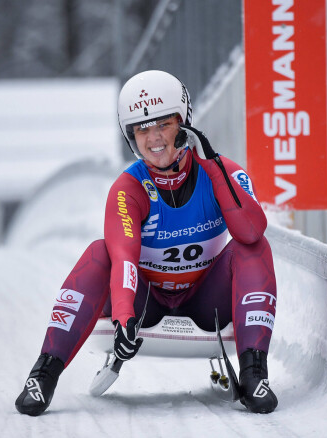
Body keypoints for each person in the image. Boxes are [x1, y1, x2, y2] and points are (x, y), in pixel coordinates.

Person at [15, 70, 278, 415]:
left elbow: (251, 231)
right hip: (145, 302)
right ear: (131, 136)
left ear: (184, 125)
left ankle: (255, 373)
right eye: (142, 129)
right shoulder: (128, 188)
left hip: (204, 299)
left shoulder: (223, 171)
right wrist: (124, 315)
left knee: (255, 249)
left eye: (163, 125)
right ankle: (43, 374)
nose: (154, 139)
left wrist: (213, 167)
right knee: (99, 251)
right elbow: (123, 257)